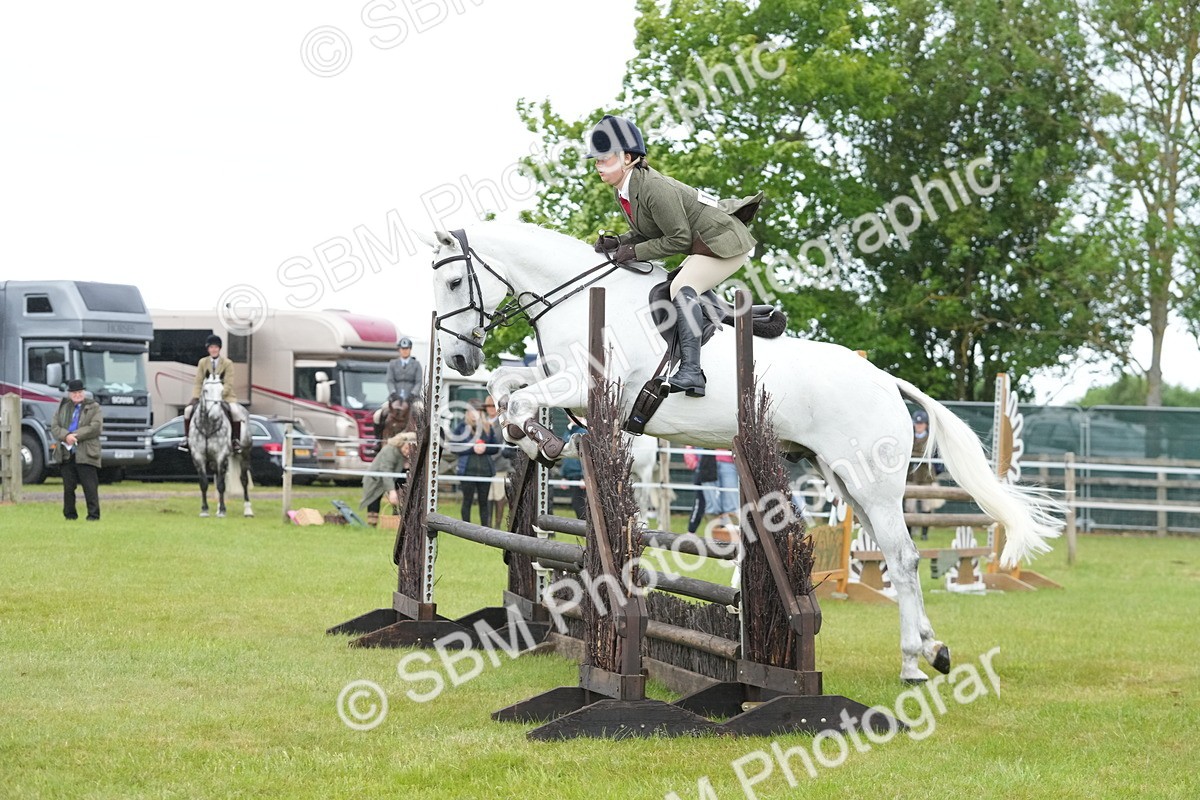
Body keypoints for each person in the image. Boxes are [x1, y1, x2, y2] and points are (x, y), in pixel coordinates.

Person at [587, 114, 763, 398]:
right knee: (671, 284)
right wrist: (619, 242)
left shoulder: (654, 187)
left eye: (604, 159)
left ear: (628, 158)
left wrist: (633, 252)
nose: (598, 165)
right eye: (596, 160)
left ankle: (692, 371)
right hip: (703, 244)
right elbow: (650, 231)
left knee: (682, 287)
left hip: (724, 242)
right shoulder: (626, 190)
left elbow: (678, 239)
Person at [51, 379, 102, 521]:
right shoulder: (63, 407)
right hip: (66, 452)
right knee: (68, 487)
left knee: (90, 486)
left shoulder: (94, 407)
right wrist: (66, 436)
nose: (77, 395)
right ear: (69, 394)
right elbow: (55, 426)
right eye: (74, 393)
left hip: (86, 452)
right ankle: (70, 515)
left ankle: (93, 515)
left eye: (80, 392)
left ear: (83, 392)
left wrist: (75, 435)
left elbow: (96, 427)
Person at [182, 334, 244, 452]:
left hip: (225, 396)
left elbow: (229, 382)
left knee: (235, 412)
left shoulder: (227, 363)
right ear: (208, 349)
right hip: (205, 396)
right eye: (211, 347)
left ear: (219, 348)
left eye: (216, 347)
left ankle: (235, 440)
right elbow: (198, 381)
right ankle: (187, 438)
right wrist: (197, 396)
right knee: (187, 410)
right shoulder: (203, 362)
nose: (213, 349)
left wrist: (220, 395)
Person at [448, 403, 502, 528]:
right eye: (471, 411)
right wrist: (472, 449)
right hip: (467, 470)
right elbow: (453, 447)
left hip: (485, 471)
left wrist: (485, 448)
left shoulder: (487, 427)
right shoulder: (461, 427)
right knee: (467, 500)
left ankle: (485, 529)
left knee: (484, 502)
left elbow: (496, 448)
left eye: (477, 411)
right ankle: (466, 528)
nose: (474, 414)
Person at [905, 409, 945, 540]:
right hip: (911, 476)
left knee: (926, 505)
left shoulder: (932, 439)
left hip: (926, 477)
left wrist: (933, 473)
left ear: (926, 424)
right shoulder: (908, 437)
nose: (919, 426)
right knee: (909, 506)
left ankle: (924, 534)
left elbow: (939, 460)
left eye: (921, 424)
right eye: (917, 424)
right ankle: (909, 533)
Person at [360, 431, 416, 515]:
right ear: (401, 444)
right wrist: (392, 491)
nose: (408, 451)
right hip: (376, 479)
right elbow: (386, 472)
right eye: (406, 448)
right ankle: (372, 522)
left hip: (393, 478)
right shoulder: (390, 450)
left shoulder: (406, 455)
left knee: (399, 501)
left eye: (411, 450)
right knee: (373, 502)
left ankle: (397, 518)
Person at [483, 396, 514, 526]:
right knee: (488, 496)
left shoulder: (503, 422)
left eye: (493, 406)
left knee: (499, 497)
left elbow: (503, 444)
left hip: (500, 464)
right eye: (488, 406)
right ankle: (488, 524)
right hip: (486, 465)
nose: (490, 409)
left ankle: (497, 525)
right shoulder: (482, 421)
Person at [556, 419, 589, 520]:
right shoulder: (568, 431)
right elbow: (565, 455)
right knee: (576, 504)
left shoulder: (584, 431)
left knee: (581, 505)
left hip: (580, 477)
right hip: (571, 475)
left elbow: (587, 456)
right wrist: (564, 476)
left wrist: (584, 477)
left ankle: (586, 527)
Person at [683, 446, 719, 534]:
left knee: (708, 503)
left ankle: (718, 533)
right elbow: (689, 452)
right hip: (702, 471)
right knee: (699, 502)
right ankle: (691, 531)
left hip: (710, 469)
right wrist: (696, 465)